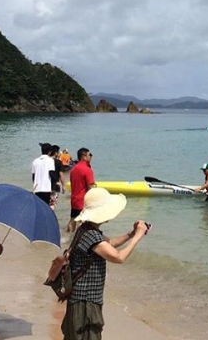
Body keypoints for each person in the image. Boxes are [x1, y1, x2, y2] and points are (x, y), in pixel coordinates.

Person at [61, 187, 149, 340]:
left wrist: (131, 234)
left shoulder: (86, 229)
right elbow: (118, 257)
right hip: (86, 303)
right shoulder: (91, 235)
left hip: (82, 301)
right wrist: (138, 237)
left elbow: (110, 243)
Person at [67, 147, 95, 233]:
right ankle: (80, 240)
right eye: (89, 155)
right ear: (84, 157)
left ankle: (67, 238)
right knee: (85, 223)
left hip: (74, 199)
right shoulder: (87, 169)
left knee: (73, 219)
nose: (91, 157)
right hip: (83, 200)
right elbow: (91, 186)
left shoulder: (73, 169)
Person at [49, 144, 66, 209]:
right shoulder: (58, 162)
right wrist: (63, 186)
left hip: (45, 186)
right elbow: (61, 174)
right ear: (56, 153)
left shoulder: (45, 161)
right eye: (58, 152)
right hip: (55, 186)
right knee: (53, 203)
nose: (59, 153)